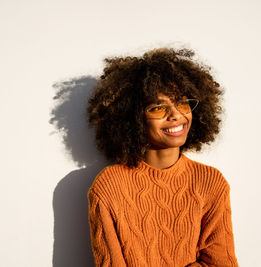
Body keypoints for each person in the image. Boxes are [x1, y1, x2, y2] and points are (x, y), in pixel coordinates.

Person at [86, 47, 239, 267]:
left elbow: (222, 264)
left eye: (183, 103)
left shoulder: (210, 183)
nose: (176, 114)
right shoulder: (109, 187)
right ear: (133, 118)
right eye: (157, 108)